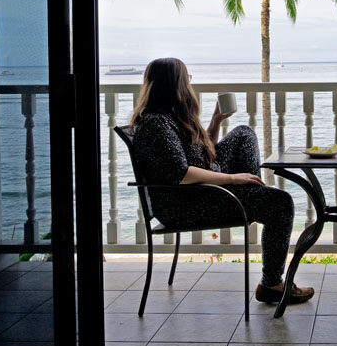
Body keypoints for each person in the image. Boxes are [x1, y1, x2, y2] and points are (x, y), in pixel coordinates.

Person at [130, 57, 314, 304]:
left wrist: (216, 122)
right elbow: (181, 174)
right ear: (175, 85)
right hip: (185, 203)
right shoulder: (156, 124)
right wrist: (231, 178)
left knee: (242, 133)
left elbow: (201, 156)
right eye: (186, 79)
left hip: (201, 190)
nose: (189, 84)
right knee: (280, 203)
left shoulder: (170, 117)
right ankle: (272, 283)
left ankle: (255, 196)